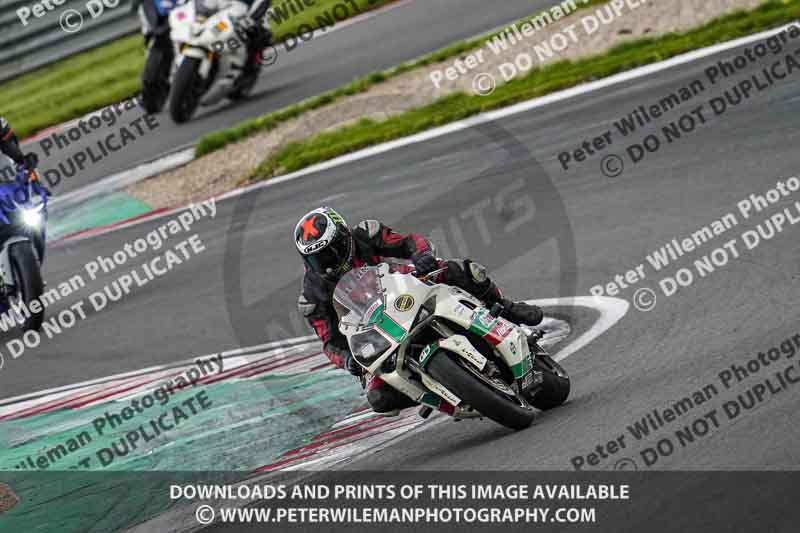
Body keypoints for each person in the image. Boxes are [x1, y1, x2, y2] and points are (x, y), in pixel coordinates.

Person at [294, 207, 544, 416]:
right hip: (373, 330)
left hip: (402, 288)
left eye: (331, 251)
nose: (327, 263)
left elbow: (409, 242)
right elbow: (329, 342)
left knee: (458, 271)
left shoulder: (366, 234)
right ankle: (438, 391)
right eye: (318, 258)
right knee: (379, 398)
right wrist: (348, 360)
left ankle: (506, 308)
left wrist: (422, 255)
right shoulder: (311, 297)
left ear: (344, 237)